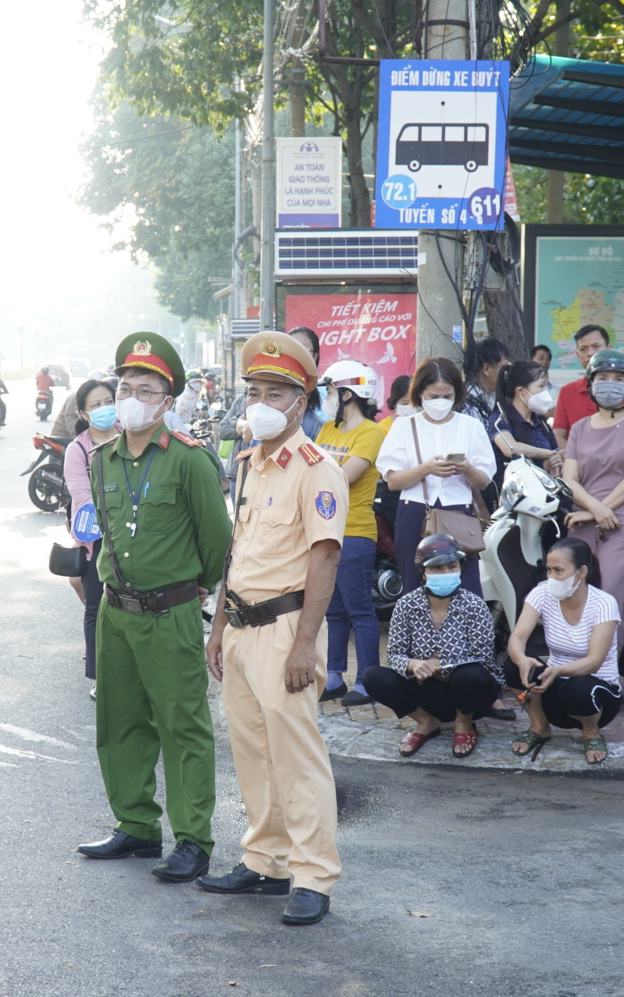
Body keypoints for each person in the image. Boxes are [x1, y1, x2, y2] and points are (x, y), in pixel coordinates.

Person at [200, 330, 347, 927]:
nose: (260, 402)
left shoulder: (318, 469)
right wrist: (216, 627)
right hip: (239, 624)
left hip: (287, 629)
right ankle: (266, 859)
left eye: (275, 391)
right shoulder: (250, 463)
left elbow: (325, 559)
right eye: (254, 390)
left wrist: (307, 645)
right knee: (252, 750)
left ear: (301, 399)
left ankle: (313, 874)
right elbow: (237, 550)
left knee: (297, 756)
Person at [77, 333, 233, 885]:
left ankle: (193, 838)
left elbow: (218, 540)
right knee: (118, 721)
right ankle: (136, 824)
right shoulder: (103, 459)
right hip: (116, 613)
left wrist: (197, 588)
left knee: (182, 726)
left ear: (168, 402)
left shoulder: (190, 461)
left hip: (171, 615)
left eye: (147, 389)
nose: (133, 397)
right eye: (125, 387)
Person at [560, 349, 624, 693]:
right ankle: (573, 673)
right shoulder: (580, 428)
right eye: (603, 378)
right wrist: (595, 511)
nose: (610, 385)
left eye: (619, 379)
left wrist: (600, 510)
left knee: (607, 597)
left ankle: (604, 681)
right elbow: (570, 480)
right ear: (590, 384)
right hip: (585, 520)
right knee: (574, 595)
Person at [365, 533, 504, 759]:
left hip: (467, 693)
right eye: (437, 569)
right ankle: (426, 722)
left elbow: (485, 660)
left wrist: (440, 666)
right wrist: (414, 665)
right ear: (423, 573)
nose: (445, 573)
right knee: (373, 676)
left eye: (451, 566)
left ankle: (464, 724)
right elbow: (394, 655)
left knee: (472, 674)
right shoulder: (406, 605)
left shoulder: (474, 605)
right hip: (425, 690)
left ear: (461, 567)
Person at [375, 357, 497, 595]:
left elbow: (483, 480)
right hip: (415, 512)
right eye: (433, 396)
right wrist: (426, 469)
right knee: (415, 586)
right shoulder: (404, 426)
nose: (440, 402)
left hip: (458, 511)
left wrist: (466, 469)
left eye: (447, 396)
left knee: (465, 586)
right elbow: (392, 481)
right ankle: (420, 632)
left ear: (457, 394)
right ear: (420, 393)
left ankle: (464, 633)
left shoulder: (470, 425)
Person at [504, 537, 623, 765]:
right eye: (548, 570)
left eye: (559, 571)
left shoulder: (604, 603)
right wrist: (521, 660)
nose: (551, 577)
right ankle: (539, 726)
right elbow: (517, 637)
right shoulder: (542, 594)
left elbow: (594, 661)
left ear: (581, 572)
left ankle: (591, 732)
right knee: (512, 665)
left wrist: (556, 671)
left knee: (576, 687)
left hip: (597, 696)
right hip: (555, 688)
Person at [312, 360, 385, 707]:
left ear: (347, 394)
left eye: (329, 390)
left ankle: (368, 681)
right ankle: (335, 677)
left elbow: (344, 477)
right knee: (333, 610)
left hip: (355, 531)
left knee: (360, 611)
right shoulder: (328, 430)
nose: (326, 397)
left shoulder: (370, 432)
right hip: (325, 529)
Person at [64, 379, 118, 685]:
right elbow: (83, 500)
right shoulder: (78, 450)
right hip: (96, 537)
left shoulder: (131, 436)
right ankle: (101, 677)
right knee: (96, 607)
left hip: (138, 531)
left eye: (108, 401)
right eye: (96, 405)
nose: (104, 409)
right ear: (83, 413)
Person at [552, 324, 624, 450]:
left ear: (609, 348)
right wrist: (576, 459)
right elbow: (558, 434)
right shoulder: (567, 391)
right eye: (583, 349)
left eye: (596, 347)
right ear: (578, 355)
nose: (590, 353)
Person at [460, 337, 511, 487]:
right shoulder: (467, 406)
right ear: (487, 369)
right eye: (504, 366)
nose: (507, 371)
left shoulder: (499, 399)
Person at [495, 359, 560, 476]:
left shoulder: (542, 423)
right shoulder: (500, 419)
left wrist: (556, 462)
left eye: (546, 386)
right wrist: (547, 454)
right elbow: (511, 448)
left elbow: (555, 453)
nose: (546, 391)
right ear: (521, 391)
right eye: (541, 386)